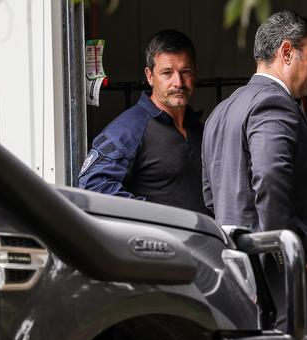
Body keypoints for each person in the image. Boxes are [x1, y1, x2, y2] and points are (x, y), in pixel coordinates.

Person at [202, 10, 307, 335]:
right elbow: (270, 179)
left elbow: (211, 194)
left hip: (236, 274)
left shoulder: (221, 111)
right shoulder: (274, 104)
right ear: (285, 52)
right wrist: (284, 255)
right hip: (275, 279)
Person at [78, 30, 209, 216]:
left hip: (204, 241)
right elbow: (93, 186)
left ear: (195, 72)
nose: (178, 82)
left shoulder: (201, 130)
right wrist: (157, 218)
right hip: (157, 243)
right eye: (167, 73)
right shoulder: (127, 130)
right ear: (149, 76)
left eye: (185, 72)